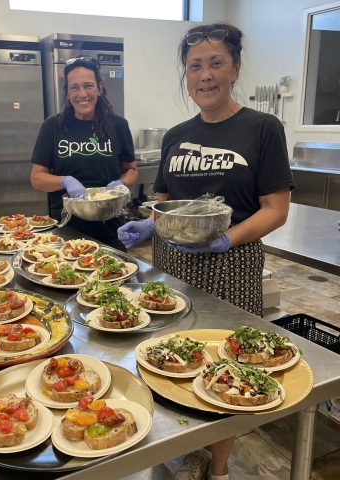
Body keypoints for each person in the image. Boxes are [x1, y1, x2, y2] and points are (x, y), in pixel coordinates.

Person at [118, 23, 295, 480]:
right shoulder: (176, 135)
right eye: (195, 65)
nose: (205, 74)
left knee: (226, 365)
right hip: (172, 266)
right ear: (186, 73)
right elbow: (165, 204)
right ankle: (175, 445)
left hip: (231, 264)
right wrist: (148, 222)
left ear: (234, 68)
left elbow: (276, 210)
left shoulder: (262, 128)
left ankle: (218, 465)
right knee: (168, 357)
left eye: (216, 63)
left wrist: (227, 238)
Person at [30, 56, 137, 249]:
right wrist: (65, 181)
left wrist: (121, 184)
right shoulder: (53, 126)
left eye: (88, 85)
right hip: (66, 229)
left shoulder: (118, 125)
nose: (82, 93)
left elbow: (131, 169)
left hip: (111, 227)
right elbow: (37, 178)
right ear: (67, 92)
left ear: (99, 88)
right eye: (74, 87)